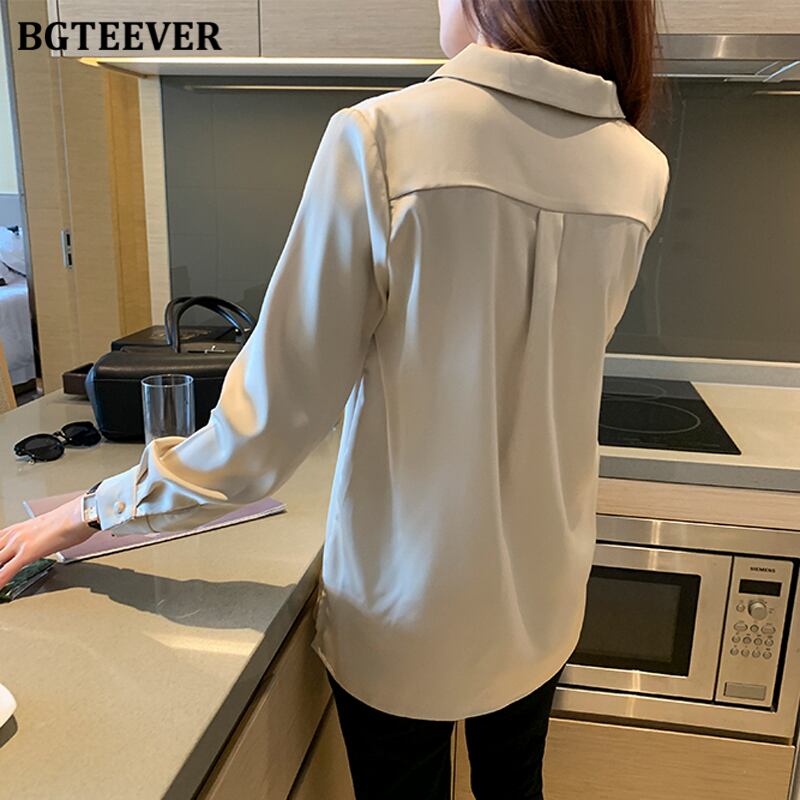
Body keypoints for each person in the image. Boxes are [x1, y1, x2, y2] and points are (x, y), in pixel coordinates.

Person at [0, 1, 668, 797]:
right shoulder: (639, 167)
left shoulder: (381, 138)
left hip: (406, 608)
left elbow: (261, 434)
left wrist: (88, 510)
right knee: (516, 785)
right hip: (544, 597)